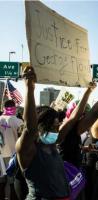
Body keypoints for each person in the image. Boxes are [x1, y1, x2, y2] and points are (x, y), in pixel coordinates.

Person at [16, 66, 70, 199]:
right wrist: (30, 88)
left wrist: (89, 92)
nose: (56, 131)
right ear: (40, 126)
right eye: (52, 127)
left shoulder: (51, 145)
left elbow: (73, 119)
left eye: (57, 127)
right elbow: (30, 128)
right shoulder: (27, 149)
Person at [0, 99, 23, 200]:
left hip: (1, 154)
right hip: (14, 155)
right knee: (12, 181)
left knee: (1, 181)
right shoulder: (18, 121)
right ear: (14, 108)